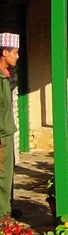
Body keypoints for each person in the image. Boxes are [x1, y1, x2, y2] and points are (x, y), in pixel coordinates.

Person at [0, 33, 19, 217]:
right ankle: (2, 213)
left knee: (8, 173)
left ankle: (8, 207)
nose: (17, 56)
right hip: (1, 133)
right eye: (15, 52)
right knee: (2, 175)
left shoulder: (5, 76)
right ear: (4, 52)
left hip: (7, 130)